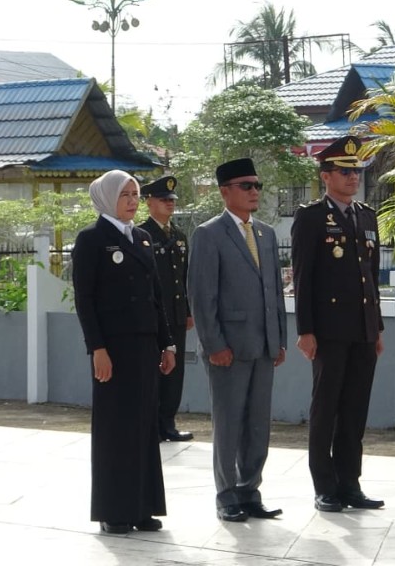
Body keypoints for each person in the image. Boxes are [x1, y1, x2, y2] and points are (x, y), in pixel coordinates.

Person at [71, 169, 175, 535]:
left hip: (146, 346)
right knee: (116, 428)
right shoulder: (91, 239)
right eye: (124, 195)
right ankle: (114, 510)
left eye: (134, 193)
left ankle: (143, 506)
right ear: (106, 198)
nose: (132, 200)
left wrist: (167, 343)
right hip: (113, 349)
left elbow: (156, 297)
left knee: (145, 426)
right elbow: (85, 301)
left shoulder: (143, 238)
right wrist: (97, 348)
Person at [187, 158, 287, 522]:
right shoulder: (208, 234)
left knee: (258, 423)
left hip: (263, 345)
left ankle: (250, 490)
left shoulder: (266, 233)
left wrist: (280, 339)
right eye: (246, 186)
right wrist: (214, 345)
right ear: (224, 191)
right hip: (228, 346)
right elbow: (202, 296)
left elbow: (274, 290)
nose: (254, 192)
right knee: (228, 422)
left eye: (257, 185)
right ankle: (226, 494)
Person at [291, 135, 386, 513]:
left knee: (355, 409)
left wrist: (376, 326)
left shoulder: (366, 215)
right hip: (329, 330)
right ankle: (325, 486)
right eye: (345, 172)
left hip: (362, 328)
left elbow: (371, 275)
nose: (353, 178)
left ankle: (350, 482)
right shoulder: (312, 217)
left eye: (357, 171)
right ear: (326, 175)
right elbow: (304, 277)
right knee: (326, 407)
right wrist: (305, 330)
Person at [139, 175, 195, 442]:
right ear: (149, 202)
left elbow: (183, 277)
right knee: (153, 368)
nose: (170, 204)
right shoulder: (142, 235)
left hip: (175, 313)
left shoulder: (180, 236)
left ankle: (168, 423)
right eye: (164, 200)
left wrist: (187, 310)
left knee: (175, 370)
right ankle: (150, 423)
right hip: (152, 315)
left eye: (172, 200)